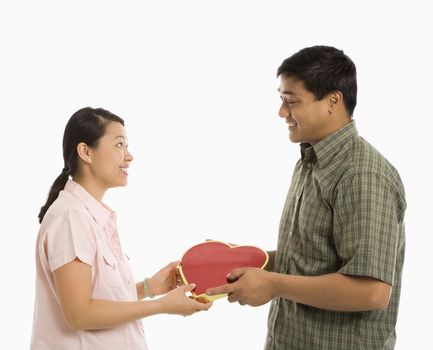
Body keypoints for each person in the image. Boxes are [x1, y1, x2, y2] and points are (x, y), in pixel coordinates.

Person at [206, 46, 406, 349]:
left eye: (291, 101)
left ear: (333, 101)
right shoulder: (311, 162)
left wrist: (273, 285)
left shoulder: (362, 175)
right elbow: (311, 261)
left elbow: (371, 291)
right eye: (282, 100)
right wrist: (245, 260)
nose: (282, 112)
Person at [31, 107, 212, 350]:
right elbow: (79, 313)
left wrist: (149, 288)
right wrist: (162, 306)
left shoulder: (88, 215)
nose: (129, 156)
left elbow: (97, 300)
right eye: (119, 145)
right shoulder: (71, 218)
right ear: (86, 152)